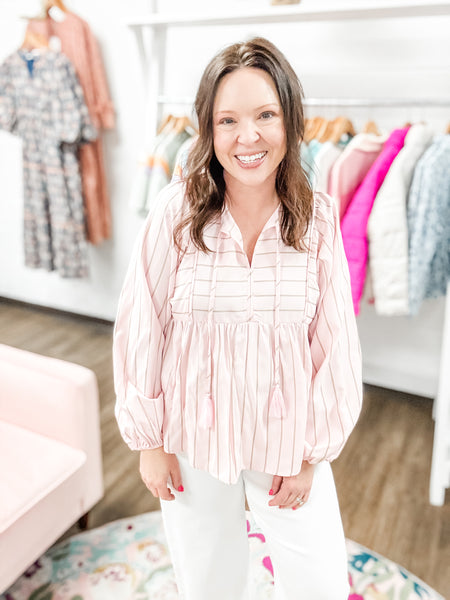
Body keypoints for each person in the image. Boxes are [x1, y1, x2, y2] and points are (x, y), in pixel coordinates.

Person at [113, 37, 362, 600]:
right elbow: (143, 325)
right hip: (192, 438)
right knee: (209, 583)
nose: (247, 137)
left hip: (285, 444)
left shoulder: (318, 218)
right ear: (208, 129)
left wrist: (309, 454)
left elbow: (335, 342)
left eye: (265, 115)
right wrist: (151, 441)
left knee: (319, 583)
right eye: (228, 120)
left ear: (291, 120)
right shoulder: (174, 212)